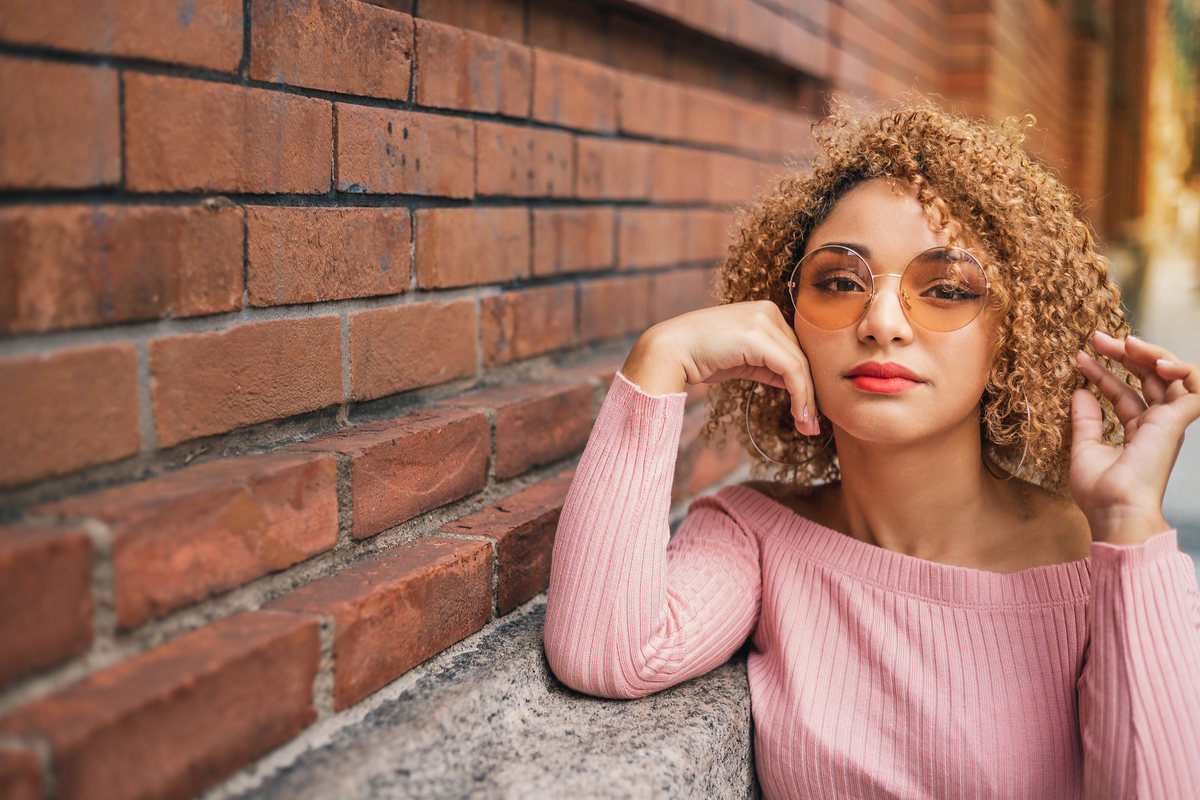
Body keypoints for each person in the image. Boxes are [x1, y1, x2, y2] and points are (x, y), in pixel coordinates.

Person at [542, 102, 1200, 798]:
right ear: (784, 315)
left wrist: (1129, 522)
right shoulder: (758, 538)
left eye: (945, 289)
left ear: (1012, 333)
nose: (881, 323)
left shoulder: (1104, 568)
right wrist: (659, 358)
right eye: (840, 283)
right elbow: (605, 654)